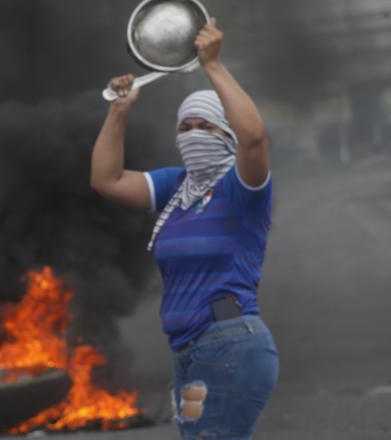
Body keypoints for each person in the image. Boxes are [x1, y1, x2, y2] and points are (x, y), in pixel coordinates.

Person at [90, 19, 278, 440]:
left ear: (225, 134)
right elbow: (107, 180)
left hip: (231, 347)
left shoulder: (242, 189)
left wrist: (213, 66)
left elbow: (254, 139)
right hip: (188, 355)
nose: (193, 135)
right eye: (185, 127)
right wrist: (118, 111)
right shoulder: (177, 187)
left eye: (206, 127)